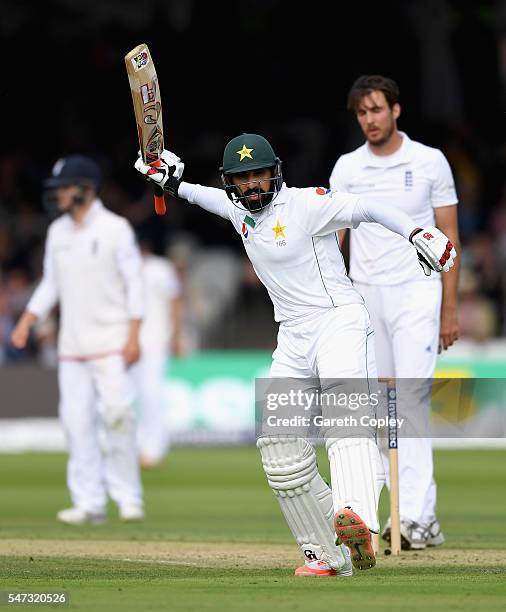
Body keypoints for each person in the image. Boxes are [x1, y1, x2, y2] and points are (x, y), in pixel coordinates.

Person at [134, 133, 456, 576]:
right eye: (242, 179)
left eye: (258, 175)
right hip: (291, 335)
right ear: (232, 182)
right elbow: (202, 196)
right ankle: (330, 553)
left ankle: (357, 515)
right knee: (279, 448)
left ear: (275, 172)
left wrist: (417, 231)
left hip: (338, 320)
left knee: (347, 419)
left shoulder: (307, 204)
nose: (251, 186)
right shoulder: (237, 210)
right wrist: (172, 181)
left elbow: (367, 207)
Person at [330, 75, 460, 550]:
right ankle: (389, 515)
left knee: (409, 402)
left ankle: (419, 518)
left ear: (396, 110)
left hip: (416, 291)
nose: (370, 120)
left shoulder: (428, 161)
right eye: (362, 113)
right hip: (365, 294)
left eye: (377, 110)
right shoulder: (347, 168)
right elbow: (334, 238)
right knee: (379, 411)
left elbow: (449, 238)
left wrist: (450, 306)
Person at [11, 155, 145, 525]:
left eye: (66, 188)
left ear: (87, 188)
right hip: (72, 347)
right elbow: (51, 283)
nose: (60, 195)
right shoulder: (58, 232)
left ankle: (128, 497)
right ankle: (89, 502)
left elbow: (135, 284)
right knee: (75, 422)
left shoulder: (116, 228)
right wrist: (27, 320)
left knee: (118, 417)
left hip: (112, 341)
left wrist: (134, 335)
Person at [130, 237, 183, 468]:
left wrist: (177, 335)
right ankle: (137, 448)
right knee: (132, 397)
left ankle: (155, 449)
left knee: (151, 395)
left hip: (155, 342)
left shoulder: (160, 268)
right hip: (128, 344)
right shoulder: (121, 269)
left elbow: (175, 301)